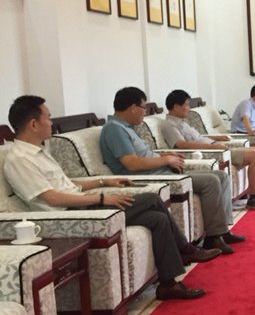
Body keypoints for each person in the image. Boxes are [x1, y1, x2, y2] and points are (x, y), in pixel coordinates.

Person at [4, 96, 217, 300]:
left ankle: (168, 285)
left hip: (82, 205)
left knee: (158, 219)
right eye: (48, 118)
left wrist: (104, 182)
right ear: (34, 124)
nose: (51, 123)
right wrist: (102, 198)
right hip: (73, 215)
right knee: (151, 198)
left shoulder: (39, 152)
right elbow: (52, 198)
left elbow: (67, 184)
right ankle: (186, 250)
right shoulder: (20, 159)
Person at [99, 87, 245, 255]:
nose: (144, 113)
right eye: (143, 108)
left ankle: (222, 232)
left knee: (221, 176)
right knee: (210, 181)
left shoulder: (126, 127)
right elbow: (132, 164)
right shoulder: (115, 129)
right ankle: (213, 238)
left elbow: (142, 155)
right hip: (150, 178)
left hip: (161, 171)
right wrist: (166, 160)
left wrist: (166, 156)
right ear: (133, 107)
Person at [162, 89, 255, 211]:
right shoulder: (169, 124)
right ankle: (253, 197)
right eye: (186, 105)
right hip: (211, 153)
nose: (189, 108)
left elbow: (199, 137)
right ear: (176, 106)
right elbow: (182, 145)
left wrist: (216, 138)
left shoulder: (182, 122)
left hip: (215, 147)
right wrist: (213, 147)